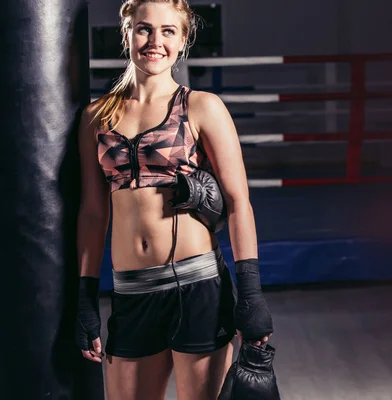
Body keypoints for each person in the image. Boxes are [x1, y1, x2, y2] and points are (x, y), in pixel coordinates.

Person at [74, 0, 274, 399]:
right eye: (144, 29)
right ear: (126, 33)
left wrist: (250, 293)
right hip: (132, 291)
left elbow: (238, 203)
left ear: (183, 40)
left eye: (168, 31)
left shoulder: (202, 107)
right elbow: (93, 214)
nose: (155, 41)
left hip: (198, 286)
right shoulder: (96, 117)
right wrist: (85, 299)